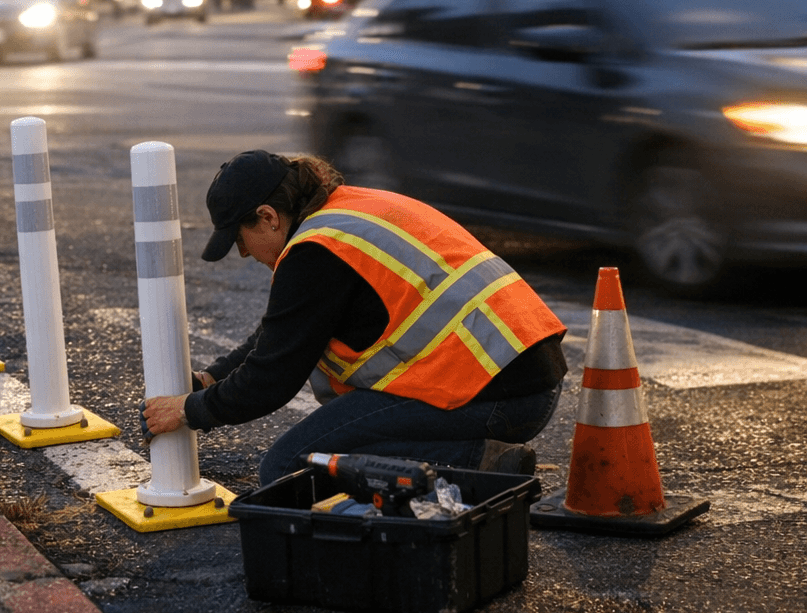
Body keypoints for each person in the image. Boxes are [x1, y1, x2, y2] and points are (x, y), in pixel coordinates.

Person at [142, 150, 567, 484]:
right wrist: (212, 378)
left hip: (501, 399)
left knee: (289, 466)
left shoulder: (314, 254)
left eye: (241, 238)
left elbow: (269, 380)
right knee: (335, 442)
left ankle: (481, 461)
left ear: (268, 218)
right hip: (527, 378)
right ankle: (472, 455)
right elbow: (285, 332)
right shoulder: (346, 213)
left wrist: (189, 411)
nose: (245, 252)